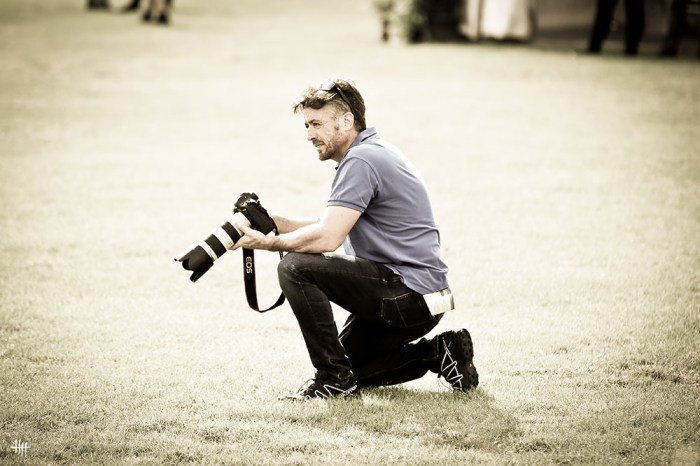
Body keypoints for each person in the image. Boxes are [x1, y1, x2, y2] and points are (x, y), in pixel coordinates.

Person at [231, 79, 479, 400]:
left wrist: (267, 244)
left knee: (294, 267)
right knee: (352, 367)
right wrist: (276, 225)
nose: (309, 135)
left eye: (316, 124)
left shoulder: (361, 160)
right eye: (307, 125)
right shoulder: (374, 152)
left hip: (407, 295)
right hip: (425, 299)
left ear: (346, 120)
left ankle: (333, 380)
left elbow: (328, 237)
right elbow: (333, 223)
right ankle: (440, 352)